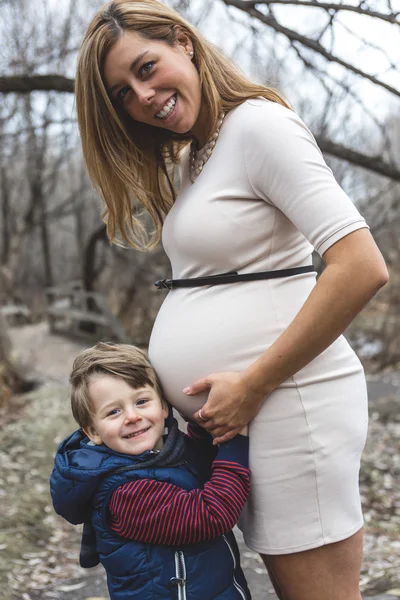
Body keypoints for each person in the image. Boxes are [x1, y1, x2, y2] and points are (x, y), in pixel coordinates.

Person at [74, 1, 389, 599]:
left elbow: (360, 266)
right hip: (255, 421)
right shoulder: (197, 153)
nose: (143, 96)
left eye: (147, 67)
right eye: (122, 93)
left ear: (182, 42)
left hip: (291, 407)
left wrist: (253, 385)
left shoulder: (257, 126)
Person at [50, 342, 251, 600]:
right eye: (113, 411)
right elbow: (210, 515)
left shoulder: (165, 454)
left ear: (164, 407)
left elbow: (199, 466)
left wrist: (203, 428)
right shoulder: (125, 492)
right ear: (93, 432)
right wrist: (234, 440)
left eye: (142, 401)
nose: (132, 416)